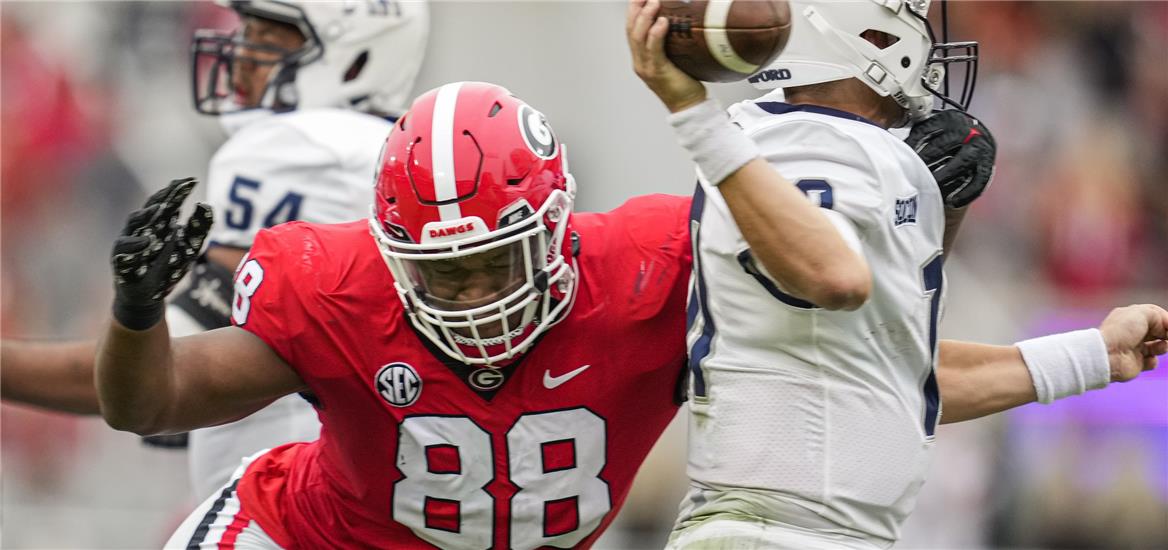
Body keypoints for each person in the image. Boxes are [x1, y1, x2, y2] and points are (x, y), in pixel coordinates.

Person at [98, 80, 1165, 549]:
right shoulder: (337, 285)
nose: (468, 295)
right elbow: (149, 399)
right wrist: (138, 309)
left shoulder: (654, 268)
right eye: (438, 273)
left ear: (557, 226)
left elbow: (876, 376)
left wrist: (1084, 356)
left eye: (492, 262)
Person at [625, 0, 1166, 548]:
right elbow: (837, 278)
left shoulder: (830, 146)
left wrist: (1094, 355)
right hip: (779, 532)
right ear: (870, 34)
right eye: (915, 19)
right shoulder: (806, 141)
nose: (928, 40)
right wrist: (694, 115)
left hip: (818, 532)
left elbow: (900, 367)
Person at [0, 0, 428, 502]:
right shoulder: (397, 150)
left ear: (356, 56)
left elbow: (157, 376)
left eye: (270, 37)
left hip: (294, 505)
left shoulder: (303, 151)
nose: (241, 52)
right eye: (245, 29)